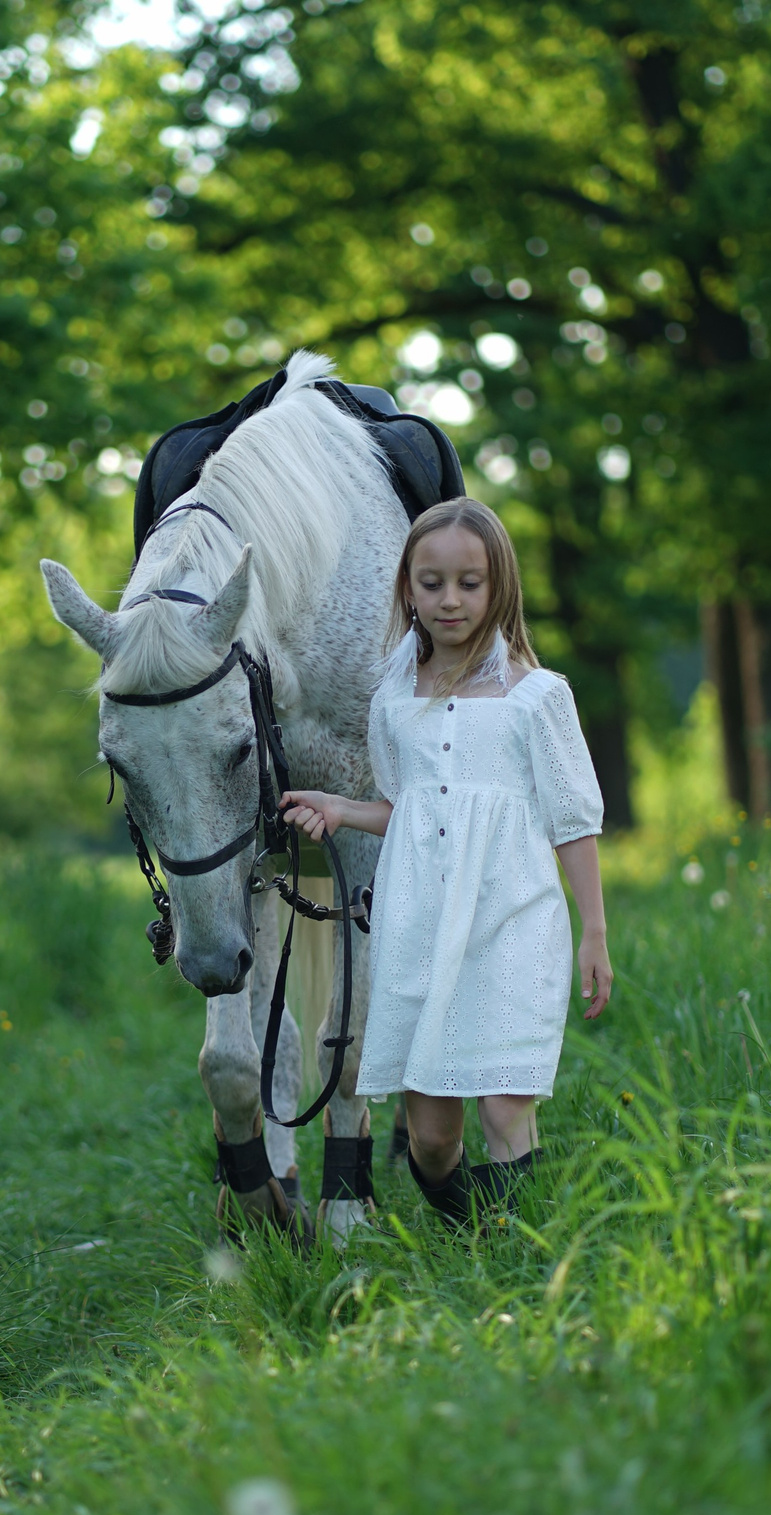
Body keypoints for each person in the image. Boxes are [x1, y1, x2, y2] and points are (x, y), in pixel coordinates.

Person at [279, 497, 612, 1224]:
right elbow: (411, 809)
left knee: (503, 1107)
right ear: (407, 587)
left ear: (500, 589)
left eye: (470, 582)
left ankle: (516, 1261)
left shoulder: (538, 697)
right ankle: (473, 1236)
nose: (450, 599)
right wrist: (340, 808)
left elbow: (572, 820)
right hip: (421, 925)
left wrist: (593, 931)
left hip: (512, 920)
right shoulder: (394, 699)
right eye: (432, 583)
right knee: (432, 1141)